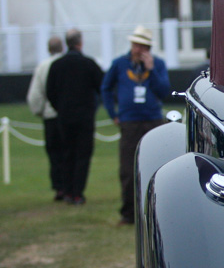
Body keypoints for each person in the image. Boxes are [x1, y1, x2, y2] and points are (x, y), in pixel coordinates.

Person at [102, 25, 171, 225]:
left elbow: (163, 91)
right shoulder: (119, 64)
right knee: (127, 167)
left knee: (158, 165)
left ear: (148, 48)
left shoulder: (157, 64)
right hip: (129, 122)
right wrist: (112, 114)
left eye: (142, 46)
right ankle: (128, 213)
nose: (138, 50)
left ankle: (156, 211)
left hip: (153, 120)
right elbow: (106, 88)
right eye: (135, 45)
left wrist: (151, 70)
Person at [45, 29, 104, 205]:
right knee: (83, 155)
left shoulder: (56, 65)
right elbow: (102, 86)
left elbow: (50, 92)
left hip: (64, 117)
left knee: (67, 153)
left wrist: (60, 108)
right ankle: (78, 193)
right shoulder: (88, 64)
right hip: (84, 117)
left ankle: (68, 191)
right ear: (80, 42)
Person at [26, 35, 65, 200]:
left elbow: (36, 93)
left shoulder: (43, 66)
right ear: (62, 48)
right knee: (68, 151)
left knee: (54, 152)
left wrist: (38, 110)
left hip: (50, 116)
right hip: (67, 114)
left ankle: (59, 187)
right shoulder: (66, 64)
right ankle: (70, 186)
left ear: (49, 49)